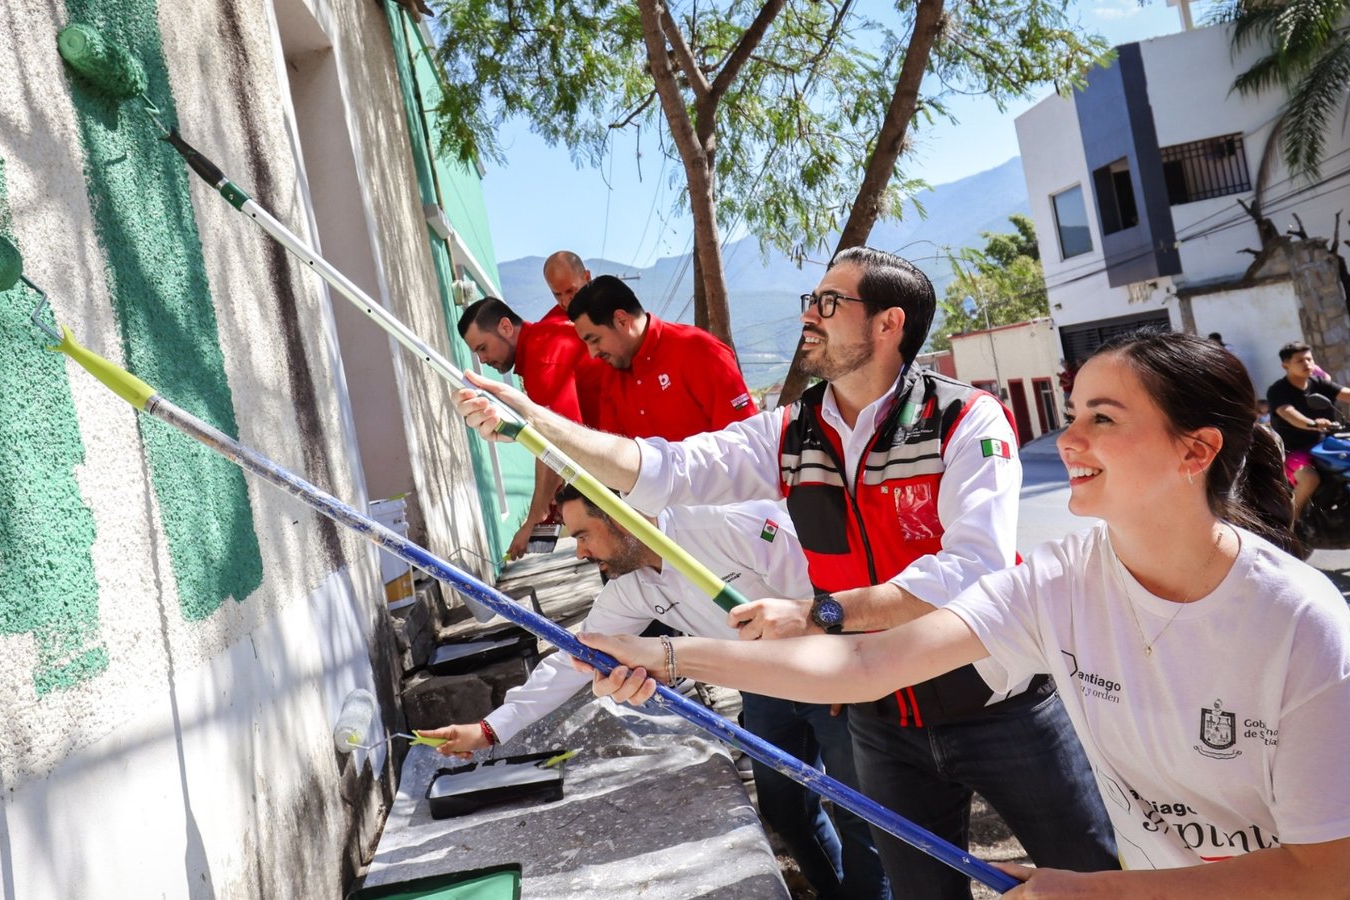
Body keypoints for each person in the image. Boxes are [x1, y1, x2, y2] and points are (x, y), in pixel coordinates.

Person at [579, 329, 1350, 896]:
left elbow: (1326, 873)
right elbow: (865, 661)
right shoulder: (1059, 581)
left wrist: (1099, 891)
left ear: (1196, 451)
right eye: (1072, 411)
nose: (1067, 438)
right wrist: (669, 658)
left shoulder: (1299, 625)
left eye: (1102, 419)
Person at [451, 247, 1118, 898]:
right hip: (880, 718)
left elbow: (974, 570)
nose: (811, 314)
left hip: (1000, 705)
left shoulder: (963, 420)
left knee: (1094, 878)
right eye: (811, 300)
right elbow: (663, 468)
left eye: (830, 302)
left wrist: (817, 616)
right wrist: (534, 423)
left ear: (890, 325)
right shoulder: (789, 433)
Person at [418, 488, 889, 899]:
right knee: (786, 809)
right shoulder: (635, 586)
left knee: (863, 815)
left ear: (619, 519)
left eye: (583, 535)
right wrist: (489, 729)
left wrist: (841, 663)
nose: (579, 552)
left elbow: (826, 588)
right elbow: (575, 657)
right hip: (765, 687)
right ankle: (835, 890)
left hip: (831, 671)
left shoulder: (723, 523)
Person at [458, 296, 587, 559]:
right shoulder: (545, 337)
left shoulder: (542, 359)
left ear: (506, 327)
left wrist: (533, 520)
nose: (482, 360)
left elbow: (554, 444)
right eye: (477, 353)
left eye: (483, 347)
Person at [565, 274, 758, 441]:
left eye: (594, 339)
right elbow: (615, 456)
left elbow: (747, 439)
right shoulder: (611, 375)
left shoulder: (698, 351)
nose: (592, 354)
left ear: (622, 320)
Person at [1264, 341, 1350, 523]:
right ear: (1285, 365)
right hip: (1294, 451)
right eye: (1300, 361)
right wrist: (1312, 423)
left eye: (1309, 359)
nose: (1307, 364)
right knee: (1309, 478)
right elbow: (1288, 413)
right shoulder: (1278, 390)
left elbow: (1346, 394)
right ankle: (1289, 526)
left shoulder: (1319, 384)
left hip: (1326, 445)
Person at [542, 250, 607, 428]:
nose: (566, 301)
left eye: (571, 291)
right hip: (597, 435)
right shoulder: (550, 331)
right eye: (557, 294)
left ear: (586, 277)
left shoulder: (615, 308)